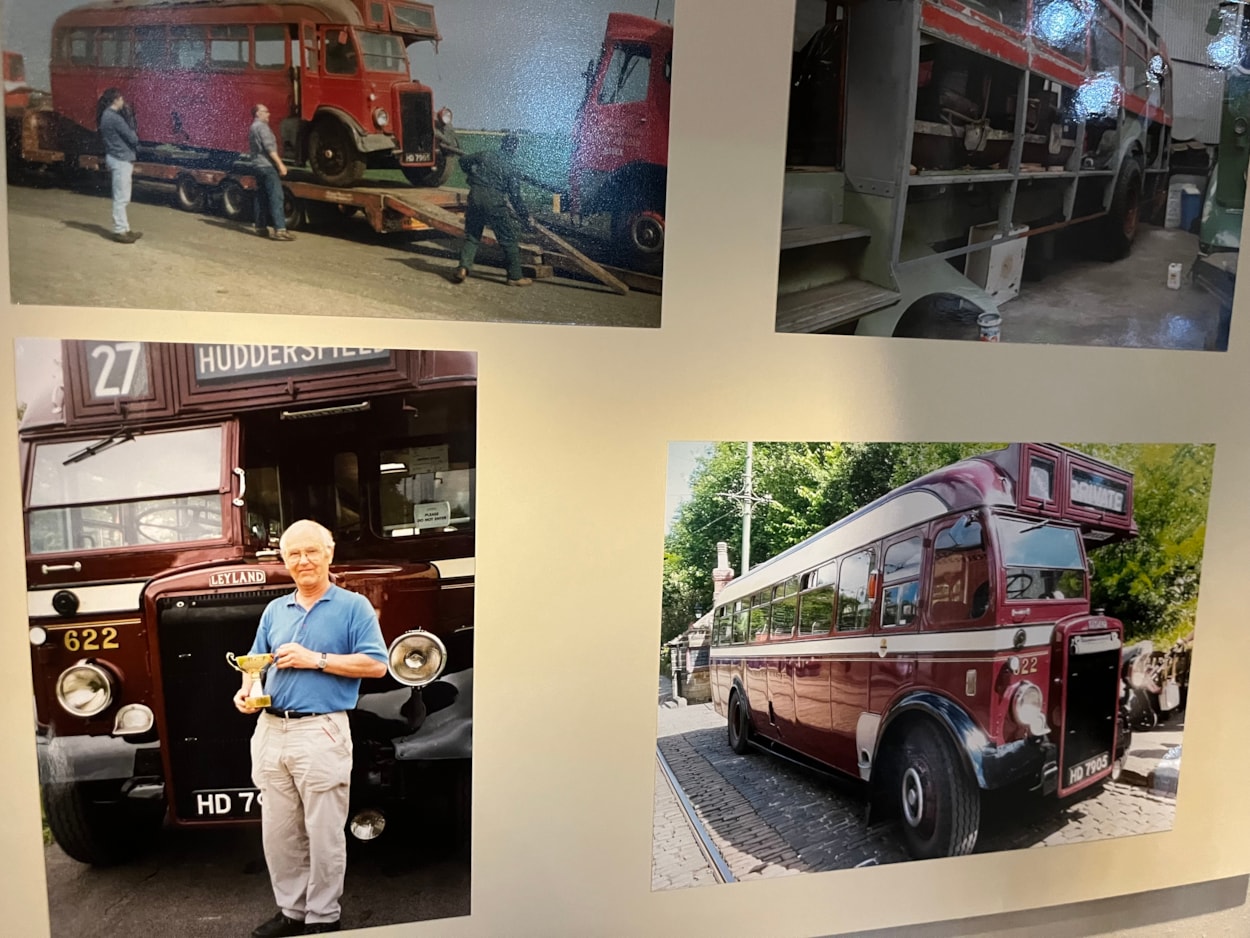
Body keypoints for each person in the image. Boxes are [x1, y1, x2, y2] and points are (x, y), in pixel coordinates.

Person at [234, 519, 388, 937]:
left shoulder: (352, 607)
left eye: (311, 551)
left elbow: (376, 664)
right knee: (280, 834)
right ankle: (292, 912)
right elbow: (254, 663)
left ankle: (324, 918)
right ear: (285, 561)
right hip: (270, 731)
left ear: (329, 554)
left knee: (323, 833)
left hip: (321, 732)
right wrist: (246, 692)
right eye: (294, 554)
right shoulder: (274, 610)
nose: (303, 561)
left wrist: (315, 658)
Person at [451, 132, 533, 287]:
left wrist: (471, 172)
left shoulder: (486, 154)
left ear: (502, 144)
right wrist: (525, 216)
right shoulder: (512, 167)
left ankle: (463, 267)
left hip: (475, 198)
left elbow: (463, 161)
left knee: (472, 236)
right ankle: (515, 276)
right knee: (508, 238)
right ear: (515, 149)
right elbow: (515, 197)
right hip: (494, 203)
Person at [97, 88, 141, 244]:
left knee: (122, 196)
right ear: (115, 100)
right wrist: (132, 124)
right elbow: (132, 138)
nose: (123, 101)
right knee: (121, 197)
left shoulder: (105, 116)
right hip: (121, 158)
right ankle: (119, 230)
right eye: (121, 98)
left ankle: (125, 228)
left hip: (115, 156)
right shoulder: (114, 118)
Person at [249, 104, 295, 241]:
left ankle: (260, 227)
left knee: (260, 196)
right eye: (265, 111)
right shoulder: (262, 127)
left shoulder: (252, 127)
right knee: (276, 197)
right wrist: (280, 164)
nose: (268, 114)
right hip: (267, 166)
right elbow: (269, 148)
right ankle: (280, 230)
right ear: (258, 114)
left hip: (257, 165)